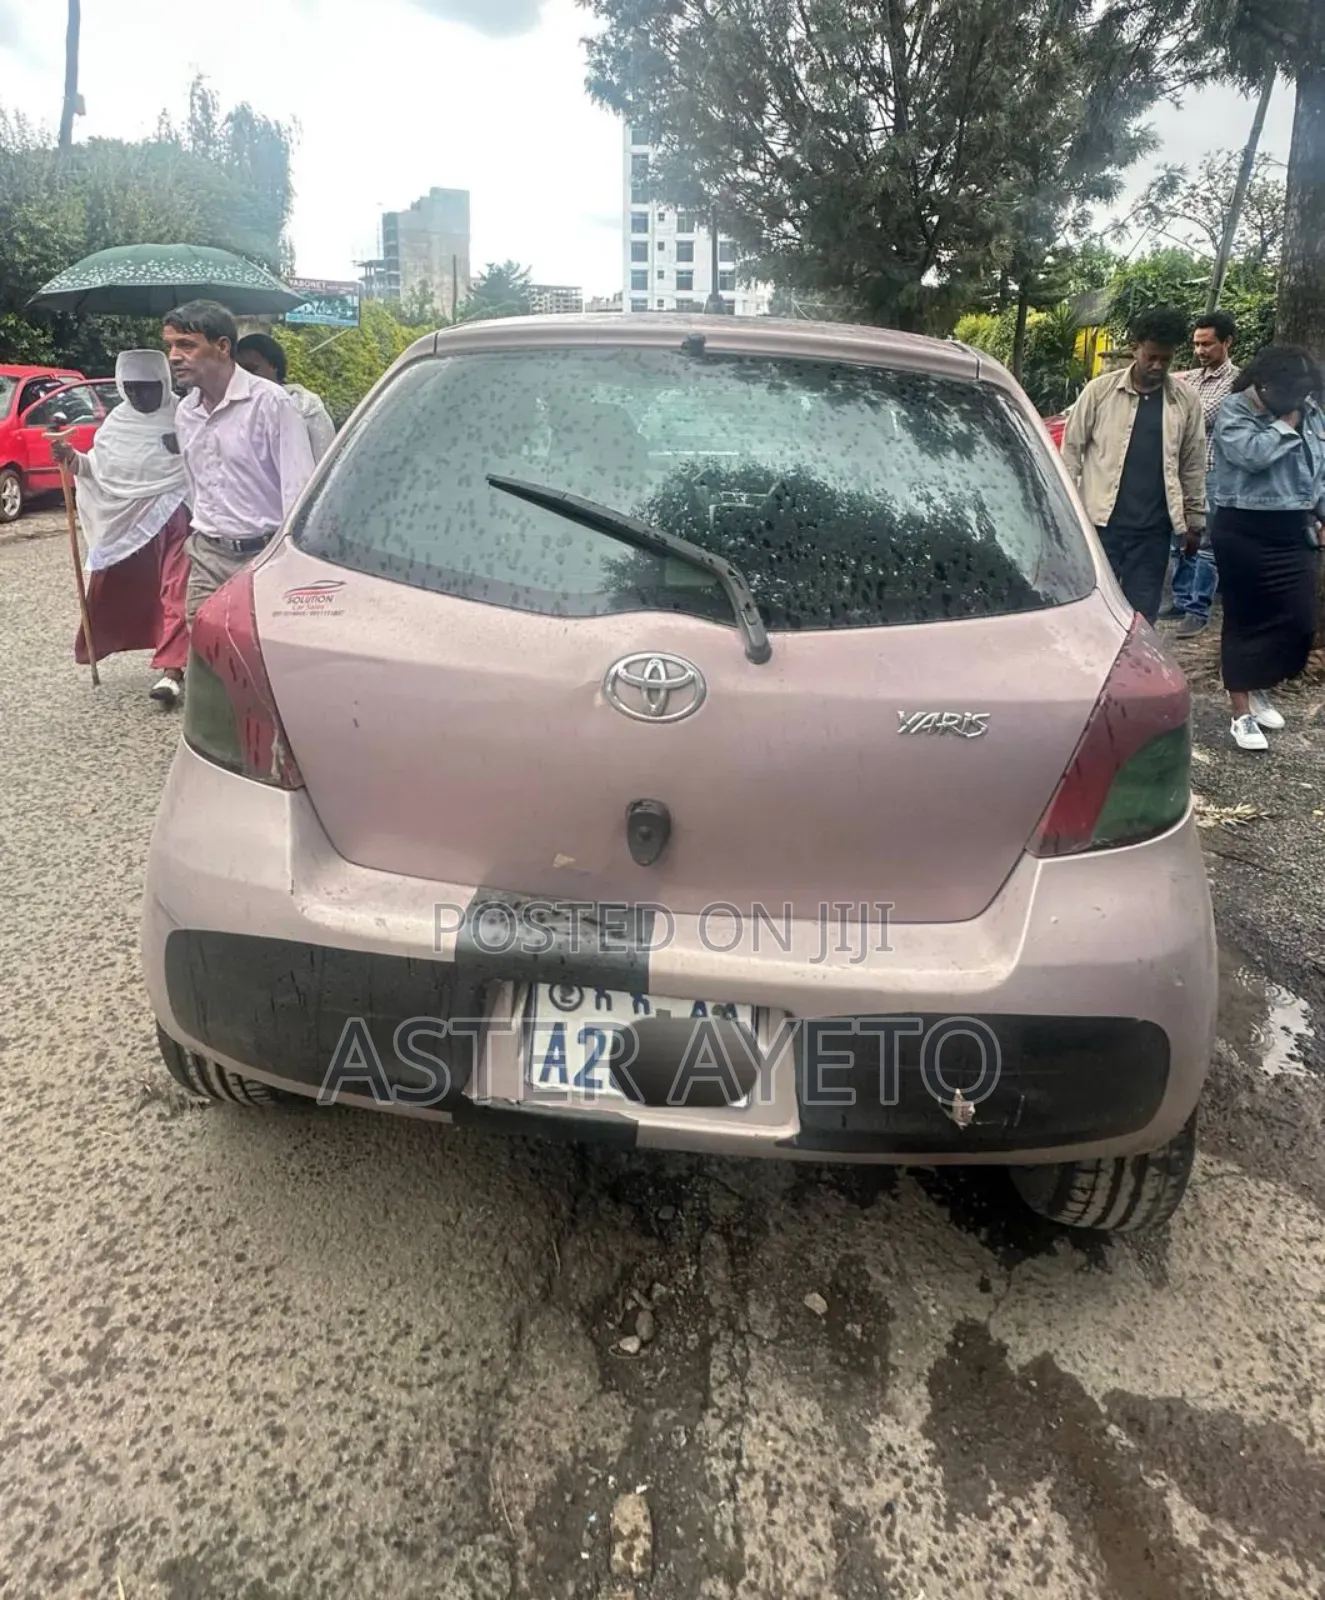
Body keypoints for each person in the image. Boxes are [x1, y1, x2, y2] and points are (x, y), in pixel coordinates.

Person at [163, 300, 316, 625]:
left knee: (260, 654)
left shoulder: (271, 403)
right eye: (171, 345)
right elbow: (194, 484)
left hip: (263, 556)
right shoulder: (186, 412)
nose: (174, 356)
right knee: (206, 652)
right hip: (207, 555)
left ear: (222, 346)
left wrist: (290, 563)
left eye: (187, 345)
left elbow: (298, 488)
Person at [52, 350, 191, 707]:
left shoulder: (186, 416)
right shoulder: (116, 424)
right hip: (132, 525)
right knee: (129, 590)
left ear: (164, 383)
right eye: (130, 388)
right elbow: (97, 469)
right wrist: (70, 459)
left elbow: (211, 458)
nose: (138, 396)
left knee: (177, 590)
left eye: (147, 388)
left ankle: (172, 670)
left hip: (178, 514)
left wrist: (186, 446)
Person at [1209, 345, 1325, 753]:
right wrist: (1284, 424)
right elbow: (1251, 456)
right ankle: (1241, 712)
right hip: (1243, 527)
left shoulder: (1309, 412)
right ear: (1265, 384)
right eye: (1291, 395)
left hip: (1293, 528)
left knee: (1300, 623)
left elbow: (1319, 470)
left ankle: (1257, 686)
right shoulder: (1235, 410)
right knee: (1243, 620)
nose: (1298, 403)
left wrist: (1322, 514)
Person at [1061, 307, 1207, 624]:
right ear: (1135, 348)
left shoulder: (1185, 400)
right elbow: (1071, 452)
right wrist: (1067, 512)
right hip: (1101, 525)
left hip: (1154, 531)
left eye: (1165, 359)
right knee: (1094, 609)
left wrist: (1195, 519)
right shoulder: (1099, 392)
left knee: (1142, 615)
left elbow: (1192, 462)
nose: (1157, 366)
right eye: (1150, 356)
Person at [1165, 311, 1241, 637]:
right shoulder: (1192, 378)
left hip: (1212, 470)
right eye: (1196, 344)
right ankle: (1181, 599)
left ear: (1227, 342)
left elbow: (1198, 418)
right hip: (1181, 470)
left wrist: (1174, 417)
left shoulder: (1236, 382)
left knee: (1206, 542)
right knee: (1178, 536)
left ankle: (1198, 609)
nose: (1200, 351)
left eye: (1207, 344)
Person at [234, 332, 336, 462]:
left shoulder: (305, 406)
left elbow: (326, 463)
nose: (246, 377)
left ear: (274, 366)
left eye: (251, 370)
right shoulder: (231, 408)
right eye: (240, 371)